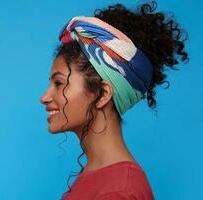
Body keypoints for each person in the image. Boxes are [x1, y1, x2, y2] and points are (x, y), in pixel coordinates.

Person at [40, 1, 188, 199]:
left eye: (59, 83)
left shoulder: (118, 192)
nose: (45, 97)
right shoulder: (100, 176)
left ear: (103, 94)